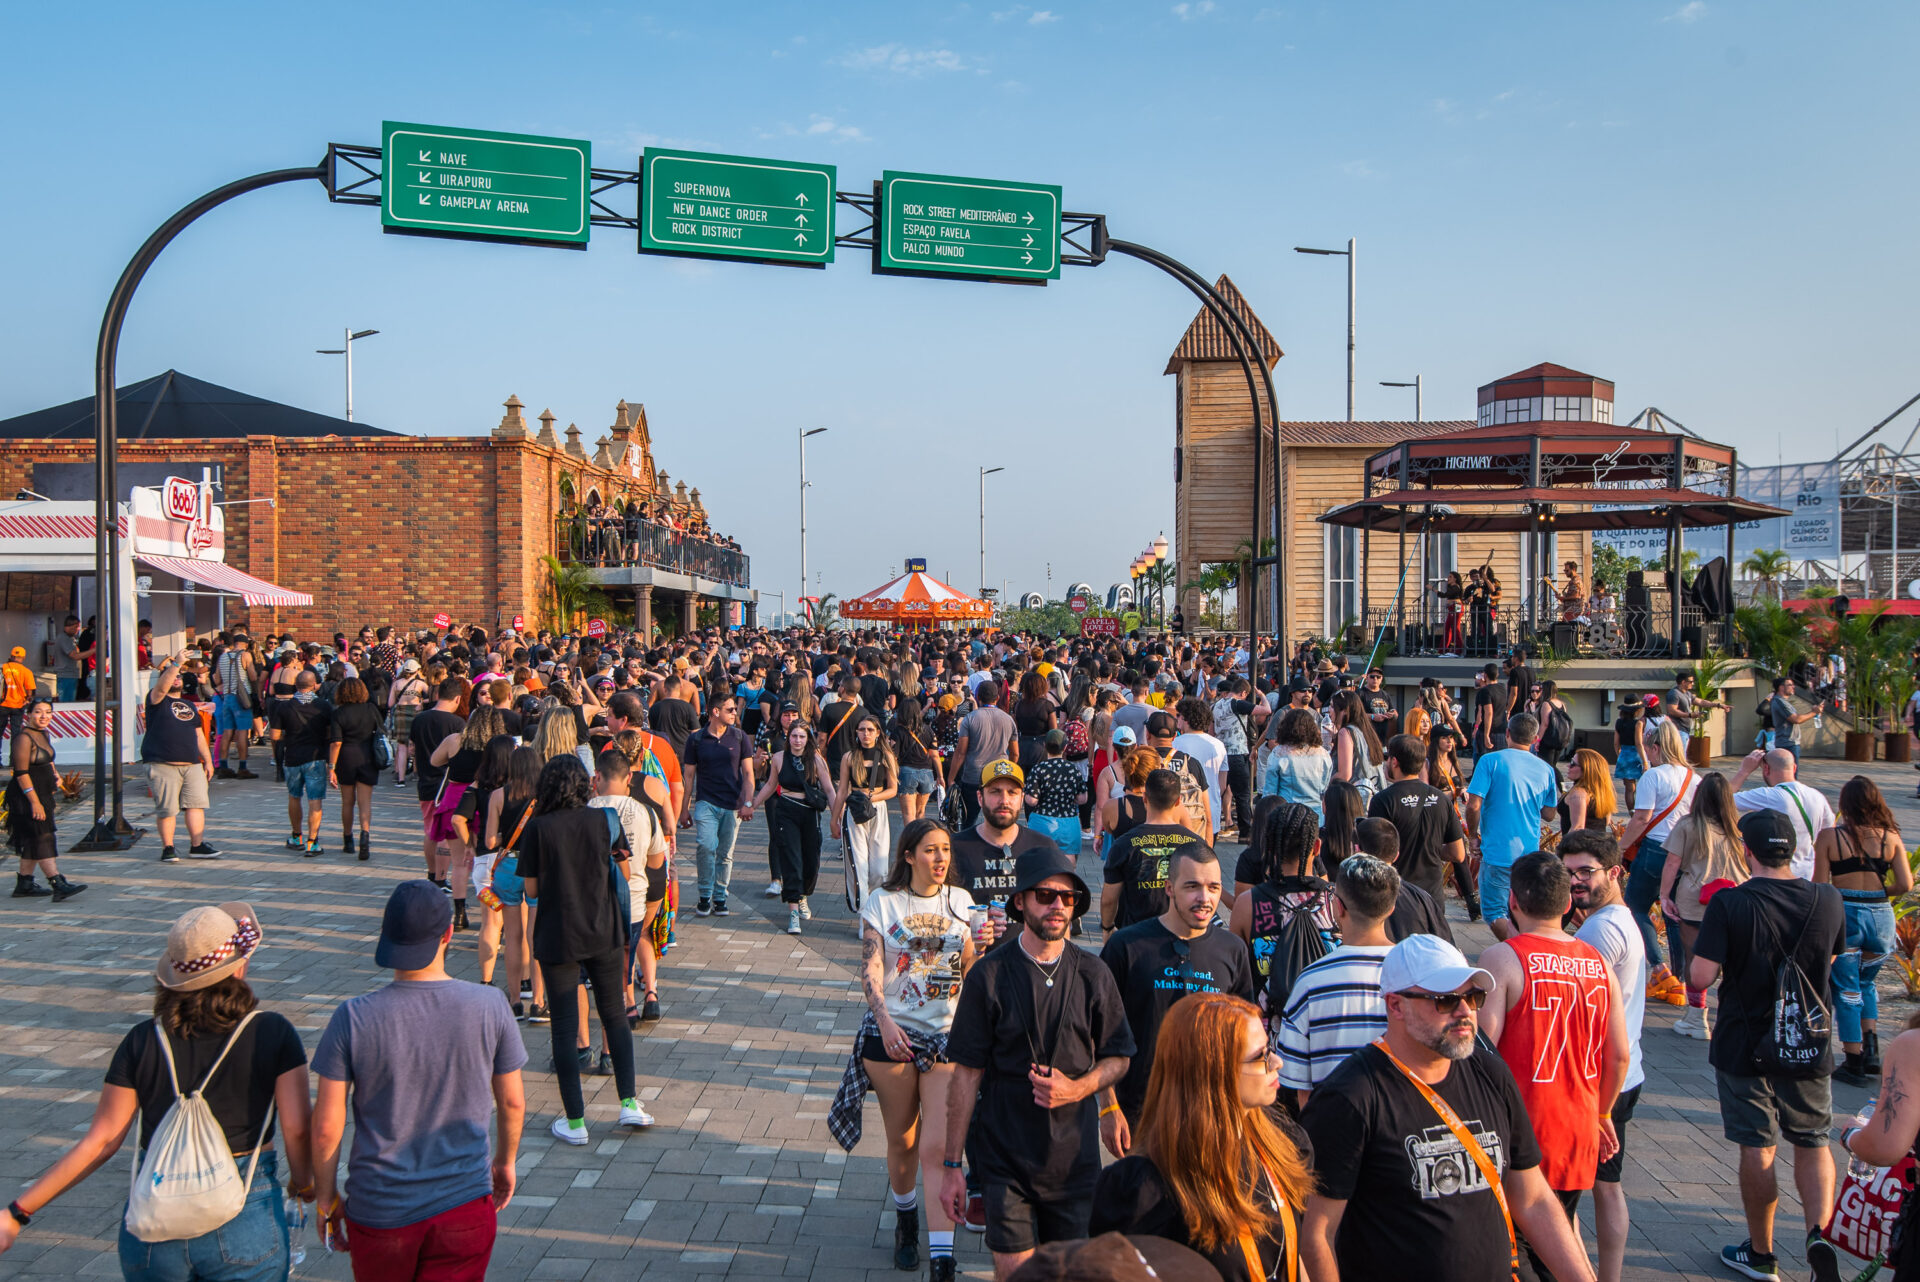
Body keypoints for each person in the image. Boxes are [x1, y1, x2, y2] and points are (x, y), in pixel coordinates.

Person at [0, 902, 312, 1275]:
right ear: (240, 966)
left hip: (156, 1221)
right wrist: (305, 1183)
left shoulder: (142, 1040)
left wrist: (17, 1213)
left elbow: (101, 1142)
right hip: (245, 1209)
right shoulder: (271, 1032)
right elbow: (296, 1128)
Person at [1299, 933, 1595, 1282]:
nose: (1465, 1011)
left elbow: (1532, 1199)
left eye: (1473, 996)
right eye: (1445, 1000)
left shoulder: (1490, 1073)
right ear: (1395, 1005)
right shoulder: (1350, 1097)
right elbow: (1316, 1233)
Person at [311, 881, 525, 1280]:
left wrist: (326, 1196)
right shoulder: (490, 1005)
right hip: (463, 1204)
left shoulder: (352, 1017)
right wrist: (504, 1161)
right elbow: (513, 1103)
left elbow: (326, 1128)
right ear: (447, 935)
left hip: (380, 1209)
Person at [941, 848, 1134, 1280]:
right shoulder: (987, 975)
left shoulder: (1093, 973)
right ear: (1020, 902)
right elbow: (965, 1076)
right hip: (1005, 1158)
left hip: (1075, 1160)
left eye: (1067, 898)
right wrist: (952, 1166)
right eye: (1046, 896)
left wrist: (1085, 1092)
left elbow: (1117, 1055)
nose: (1058, 906)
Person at [1688, 810, 1846, 1282]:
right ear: (1792, 848)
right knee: (1814, 1141)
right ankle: (1819, 1237)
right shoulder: (1828, 899)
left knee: (1758, 1146)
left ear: (1745, 851)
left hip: (1745, 1041)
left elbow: (1700, 976)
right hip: (1807, 1039)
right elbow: (1831, 959)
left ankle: (1761, 1253)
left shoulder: (1731, 904)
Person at [831, 819, 976, 1280]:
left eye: (946, 851)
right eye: (931, 850)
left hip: (946, 1037)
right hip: (890, 1037)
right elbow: (872, 968)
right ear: (908, 855)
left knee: (937, 1146)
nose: (940, 860)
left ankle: (941, 1256)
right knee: (903, 1141)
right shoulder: (882, 902)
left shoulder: (962, 902)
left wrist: (982, 951)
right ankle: (905, 1217)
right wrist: (885, 1021)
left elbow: (971, 967)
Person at [1478, 852, 1630, 1278]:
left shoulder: (1503, 958)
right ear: (1567, 905)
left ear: (1513, 901)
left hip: (1519, 1130)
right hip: (1578, 1129)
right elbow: (1618, 1055)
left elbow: (1481, 1052)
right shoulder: (1599, 963)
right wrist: (1602, 1112)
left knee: (1513, 1251)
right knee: (1557, 1241)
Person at [1092, 992, 1312, 1282]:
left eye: (1269, 1048)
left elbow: (1291, 1259)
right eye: (1260, 1056)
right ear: (1213, 1070)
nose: (1277, 1062)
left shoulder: (1281, 1143)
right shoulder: (1146, 1188)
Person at [516, 755, 653, 1144]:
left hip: (558, 935)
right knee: (613, 1014)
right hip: (604, 930)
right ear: (584, 785)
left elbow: (531, 891)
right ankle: (629, 1102)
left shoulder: (538, 829)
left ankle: (575, 1122)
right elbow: (624, 873)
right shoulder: (603, 821)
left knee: (563, 1027)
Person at [1098, 845, 1252, 1135]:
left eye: (1213, 887)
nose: (1205, 899)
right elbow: (1100, 1030)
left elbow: (1245, 1035)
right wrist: (1108, 1106)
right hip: (1140, 1114)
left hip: (1209, 1114)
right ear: (1169, 888)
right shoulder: (1126, 947)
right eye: (1192, 886)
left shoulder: (1233, 950)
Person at [1560, 829, 1648, 1282]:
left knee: (1569, 1193)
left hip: (1598, 1079)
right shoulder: (1619, 920)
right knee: (1606, 1186)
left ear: (1614, 872)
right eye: (1568, 871)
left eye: (1586, 872)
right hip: (1625, 1069)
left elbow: (1574, 1008)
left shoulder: (1600, 930)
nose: (1576, 881)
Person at [1812, 776, 1912, 1086]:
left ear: (1845, 804)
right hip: (1881, 917)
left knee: (1846, 988)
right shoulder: (1891, 837)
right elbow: (1906, 885)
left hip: (1847, 914)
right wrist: (1880, 892)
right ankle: (1871, 1052)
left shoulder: (1830, 837)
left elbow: (1819, 885)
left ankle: (1852, 1059)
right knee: (1867, 984)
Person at [1277, 853, 1399, 1103]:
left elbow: (1301, 1087)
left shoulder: (1311, 982)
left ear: (1337, 907)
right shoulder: (1416, 973)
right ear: (1391, 908)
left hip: (1333, 1126)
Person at [1658, 770, 1748, 1037]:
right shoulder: (1738, 827)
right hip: (1736, 896)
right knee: (1736, 958)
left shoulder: (1688, 825)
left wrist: (1664, 896)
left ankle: (1697, 1018)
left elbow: (1673, 862)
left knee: (1694, 957)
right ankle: (1734, 1015)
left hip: (1696, 899)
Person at [1465, 712, 1559, 942]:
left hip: (1497, 852)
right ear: (1535, 739)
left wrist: (1472, 836)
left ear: (1507, 734)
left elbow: (1474, 805)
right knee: (1521, 911)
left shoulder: (1490, 761)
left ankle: (1519, 950)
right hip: (1529, 853)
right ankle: (1524, 948)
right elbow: (1549, 813)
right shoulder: (1546, 769)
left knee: (1494, 911)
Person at [752, 719, 836, 935]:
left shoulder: (816, 760)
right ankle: (793, 909)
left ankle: (803, 895)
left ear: (808, 739)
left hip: (809, 813)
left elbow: (829, 789)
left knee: (811, 862)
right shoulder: (779, 758)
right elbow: (771, 785)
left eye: (802, 736)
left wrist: (837, 818)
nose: (797, 740)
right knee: (791, 860)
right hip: (786, 811)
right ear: (788, 738)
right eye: (794, 736)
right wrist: (752, 805)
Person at [1100, 768, 1210, 931]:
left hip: (1135, 935)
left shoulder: (1123, 845)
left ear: (1144, 798)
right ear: (1178, 801)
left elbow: (1109, 899)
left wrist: (1107, 927)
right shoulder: (1196, 843)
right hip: (1182, 932)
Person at [143, 650, 221, 866]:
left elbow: (198, 734)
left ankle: (197, 845)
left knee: (196, 805)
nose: (176, 678)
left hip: (191, 764)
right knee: (168, 809)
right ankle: (168, 847)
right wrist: (176, 663)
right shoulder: (156, 699)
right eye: (172, 675)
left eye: (179, 676)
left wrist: (207, 760)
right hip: (162, 763)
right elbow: (161, 687)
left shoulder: (188, 705)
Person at [1368, 734, 1466, 903]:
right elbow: (1458, 854)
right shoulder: (1441, 798)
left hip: (1397, 894)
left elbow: (1377, 856)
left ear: (1394, 762)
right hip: (1432, 896)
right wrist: (1433, 848)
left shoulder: (1383, 800)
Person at [682, 694, 755, 918]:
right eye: (730, 709)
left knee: (725, 853)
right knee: (706, 845)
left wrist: (749, 802)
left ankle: (720, 896)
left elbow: (749, 773)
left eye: (734, 709)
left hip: (732, 804)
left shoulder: (740, 737)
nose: (735, 713)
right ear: (715, 712)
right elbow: (689, 776)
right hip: (706, 802)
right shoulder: (696, 739)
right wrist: (684, 808)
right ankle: (705, 895)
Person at [1728, 746, 1834, 881]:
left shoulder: (1769, 795)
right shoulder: (1817, 796)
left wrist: (1744, 771)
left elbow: (1723, 799)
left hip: (1776, 876)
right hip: (1808, 875)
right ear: (1794, 768)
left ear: (1766, 769)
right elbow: (1830, 830)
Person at [834, 713, 898, 915]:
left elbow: (893, 788)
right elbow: (842, 790)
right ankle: (863, 913)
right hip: (854, 811)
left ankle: (875, 908)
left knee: (879, 867)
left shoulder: (886, 756)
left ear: (878, 733)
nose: (866, 734)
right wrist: (834, 819)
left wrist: (871, 799)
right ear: (856, 733)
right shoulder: (850, 757)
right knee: (858, 865)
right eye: (862, 730)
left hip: (877, 809)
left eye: (870, 730)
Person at [1352, 818, 1453, 944]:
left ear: (1357, 851)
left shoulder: (1349, 895)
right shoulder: (1422, 898)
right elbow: (1446, 945)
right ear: (1396, 855)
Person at [270, 669, 334, 857]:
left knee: (294, 796)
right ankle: (312, 842)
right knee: (315, 800)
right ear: (314, 685)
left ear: (295, 686)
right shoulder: (324, 706)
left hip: (292, 757)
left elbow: (274, 735)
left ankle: (296, 836)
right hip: (316, 757)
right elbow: (330, 734)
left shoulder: (283, 707)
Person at [327, 678, 384, 861]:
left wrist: (331, 767)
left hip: (346, 757)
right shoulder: (371, 709)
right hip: (367, 756)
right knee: (365, 802)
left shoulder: (339, 713)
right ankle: (365, 835)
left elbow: (336, 742)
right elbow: (381, 730)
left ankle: (348, 838)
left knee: (347, 802)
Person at [948, 680, 1016, 827]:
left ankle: (969, 848)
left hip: (973, 776)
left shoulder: (970, 719)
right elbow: (1015, 754)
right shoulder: (1008, 720)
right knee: (997, 821)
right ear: (997, 698)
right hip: (998, 775)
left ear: (978, 697)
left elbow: (960, 752)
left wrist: (951, 778)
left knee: (968, 820)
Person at [1145, 710, 1214, 839]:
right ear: (1174, 736)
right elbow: (1208, 817)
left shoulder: (1143, 763)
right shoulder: (1191, 763)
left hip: (1150, 843)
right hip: (1188, 844)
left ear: (1148, 734)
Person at [1259, 707, 1333, 821]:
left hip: (1287, 815)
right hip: (1316, 815)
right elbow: (1325, 788)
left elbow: (1270, 792)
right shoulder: (1323, 754)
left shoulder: (1279, 752)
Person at [1171, 697, 1229, 841]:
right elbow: (1222, 784)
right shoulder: (1218, 745)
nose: (1176, 719)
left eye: (1179, 715)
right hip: (1212, 808)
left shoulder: (1176, 744)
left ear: (1186, 719)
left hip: (1183, 809)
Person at [1023, 729, 1087, 855]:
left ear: (1044, 746)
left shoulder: (1038, 769)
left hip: (1042, 823)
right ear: (1065, 747)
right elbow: (1082, 799)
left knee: (1041, 865)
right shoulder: (1073, 769)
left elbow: (1031, 800)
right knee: (1069, 865)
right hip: (1069, 824)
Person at [211, 636, 260, 780]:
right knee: (243, 732)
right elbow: (252, 676)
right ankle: (242, 767)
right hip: (241, 697)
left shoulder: (223, 656)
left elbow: (217, 679)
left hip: (227, 696)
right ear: (245, 644)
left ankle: (223, 766)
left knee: (227, 732)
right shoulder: (245, 655)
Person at [386, 658, 429, 786]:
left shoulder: (396, 683)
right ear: (416, 670)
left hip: (400, 713)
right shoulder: (420, 684)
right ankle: (417, 772)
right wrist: (421, 701)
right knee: (416, 743)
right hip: (416, 712)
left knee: (402, 745)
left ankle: (400, 778)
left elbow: (390, 703)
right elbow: (434, 696)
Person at [1765, 676, 1823, 763]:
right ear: (1781, 687)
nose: (1793, 687)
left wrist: (1813, 711)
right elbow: (1796, 719)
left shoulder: (1783, 702)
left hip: (1790, 743)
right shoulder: (1779, 702)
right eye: (1790, 685)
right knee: (1789, 774)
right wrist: (1814, 713)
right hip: (1787, 743)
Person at [1560, 747, 1616, 835]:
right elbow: (1606, 821)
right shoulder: (1601, 792)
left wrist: (1562, 848)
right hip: (1600, 844)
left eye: (1572, 763)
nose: (1568, 766)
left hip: (1581, 845)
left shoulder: (1578, 793)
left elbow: (1577, 828)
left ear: (1586, 769)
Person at [1612, 699, 1647, 809]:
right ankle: (1640, 810)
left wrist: (1619, 756)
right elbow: (1638, 743)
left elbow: (1616, 743)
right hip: (1636, 755)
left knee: (1629, 788)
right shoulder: (1638, 723)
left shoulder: (1618, 722)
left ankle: (1631, 812)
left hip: (1624, 754)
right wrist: (1645, 761)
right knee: (1643, 786)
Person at [0, 644, 35, 742]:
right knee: (16, 734)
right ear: (23, 658)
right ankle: (15, 756)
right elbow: (30, 691)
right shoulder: (26, 672)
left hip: (2, 704)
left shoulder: (3, 668)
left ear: (11, 656)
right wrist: (28, 700)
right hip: (18, 705)